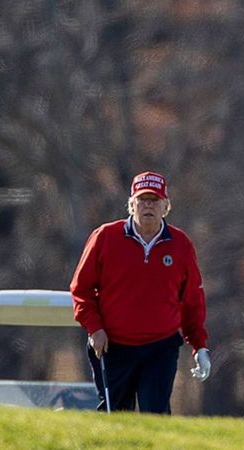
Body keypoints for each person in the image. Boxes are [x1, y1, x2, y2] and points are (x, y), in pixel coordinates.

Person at [70, 170, 211, 414]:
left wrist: (199, 346)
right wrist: (95, 328)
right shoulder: (105, 237)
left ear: (166, 206)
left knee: (155, 415)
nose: (148, 206)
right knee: (115, 416)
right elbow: (81, 290)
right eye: (142, 200)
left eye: (154, 200)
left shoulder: (180, 245)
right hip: (112, 346)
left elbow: (192, 301)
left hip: (160, 347)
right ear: (131, 204)